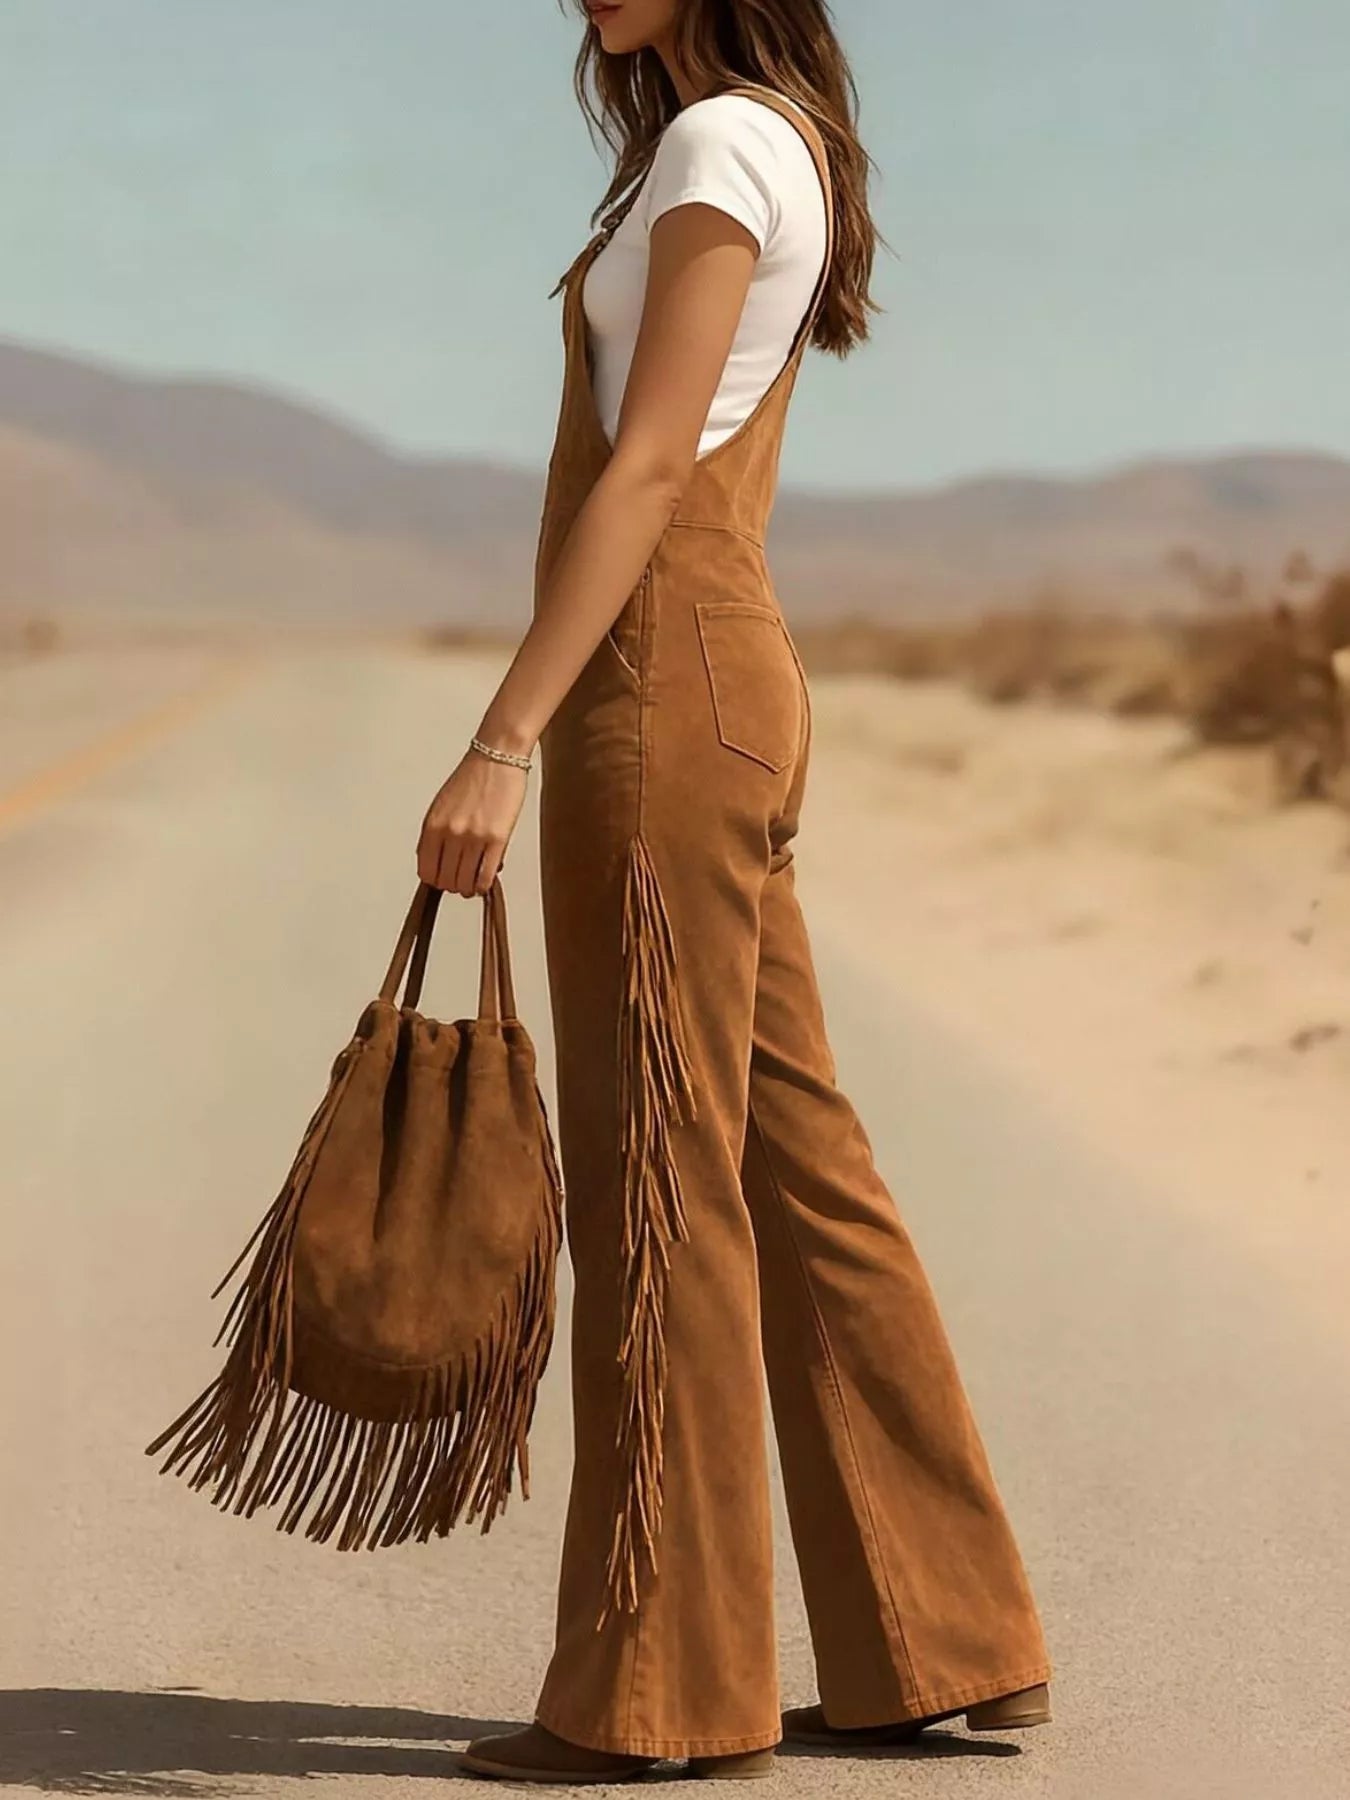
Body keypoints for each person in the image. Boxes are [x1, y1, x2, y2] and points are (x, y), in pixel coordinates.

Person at [416, 0, 1052, 1783]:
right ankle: (943, 1639)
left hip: (654, 692)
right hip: (721, 670)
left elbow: (643, 464)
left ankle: (659, 1695)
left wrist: (502, 735)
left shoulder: (715, 149)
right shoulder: (752, 143)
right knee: (789, 1149)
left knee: (657, 1177)